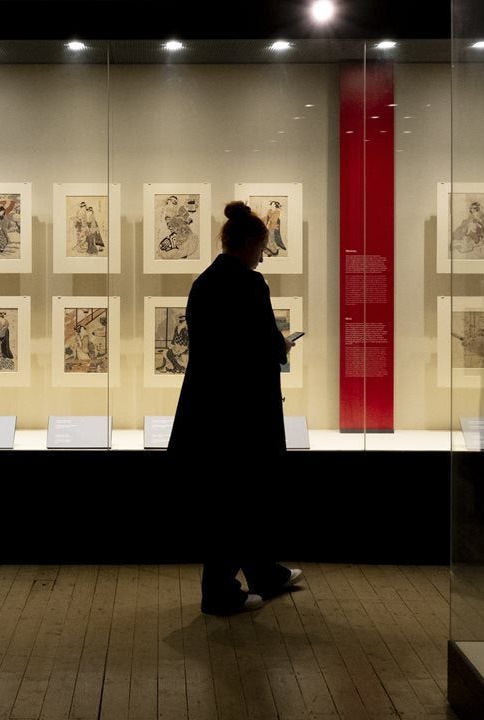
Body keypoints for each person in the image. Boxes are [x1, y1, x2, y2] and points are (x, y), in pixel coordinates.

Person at [166, 200, 303, 616]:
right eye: (262, 248)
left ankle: (263, 572)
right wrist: (283, 344)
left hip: (209, 406)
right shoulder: (249, 284)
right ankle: (221, 592)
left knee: (230, 497)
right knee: (240, 497)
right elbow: (263, 346)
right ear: (248, 244)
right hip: (243, 411)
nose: (263, 256)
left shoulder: (204, 282)